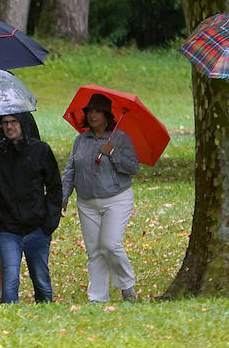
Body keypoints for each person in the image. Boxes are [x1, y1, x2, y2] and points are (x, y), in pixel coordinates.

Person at [61, 93, 140, 303]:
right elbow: (70, 170)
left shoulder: (119, 138)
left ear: (106, 115)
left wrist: (112, 152)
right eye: (90, 111)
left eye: (98, 111)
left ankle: (127, 286)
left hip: (117, 198)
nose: (93, 115)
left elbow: (133, 168)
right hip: (86, 202)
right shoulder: (81, 140)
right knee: (94, 251)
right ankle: (97, 298)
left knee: (110, 244)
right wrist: (63, 196)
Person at [0, 112, 62, 303]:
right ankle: (11, 322)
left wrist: (50, 222)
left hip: (37, 227)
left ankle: (46, 316)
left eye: (13, 122)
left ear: (23, 124)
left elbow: (55, 187)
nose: (9, 127)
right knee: (9, 282)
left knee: (41, 280)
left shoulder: (40, 150)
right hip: (8, 229)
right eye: (5, 123)